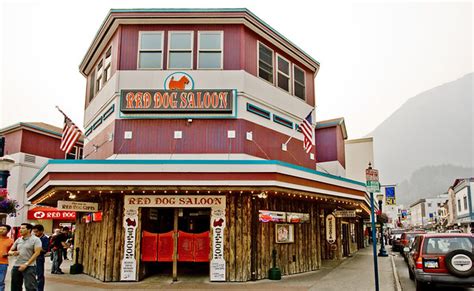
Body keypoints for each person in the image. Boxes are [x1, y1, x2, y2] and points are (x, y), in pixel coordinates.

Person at [8, 223, 42, 291]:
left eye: (23, 228)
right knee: (15, 287)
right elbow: (10, 251)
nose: (20, 230)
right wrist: (13, 253)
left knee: (30, 287)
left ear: (29, 230)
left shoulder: (36, 239)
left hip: (30, 266)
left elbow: (37, 253)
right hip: (17, 265)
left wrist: (26, 264)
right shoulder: (18, 240)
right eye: (20, 228)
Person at [32, 225, 49, 291]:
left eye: (37, 232)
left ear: (41, 231)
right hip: (31, 258)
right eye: (34, 232)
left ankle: (39, 289)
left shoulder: (45, 238)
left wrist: (37, 247)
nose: (35, 233)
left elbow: (45, 250)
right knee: (31, 275)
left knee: (40, 275)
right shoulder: (33, 238)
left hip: (39, 258)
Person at [0, 224, 13, 291]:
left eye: (3, 229)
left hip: (3, 263)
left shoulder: (11, 241)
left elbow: (13, 252)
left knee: (1, 282)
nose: (1, 230)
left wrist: (8, 254)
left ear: (8, 231)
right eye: (0, 228)